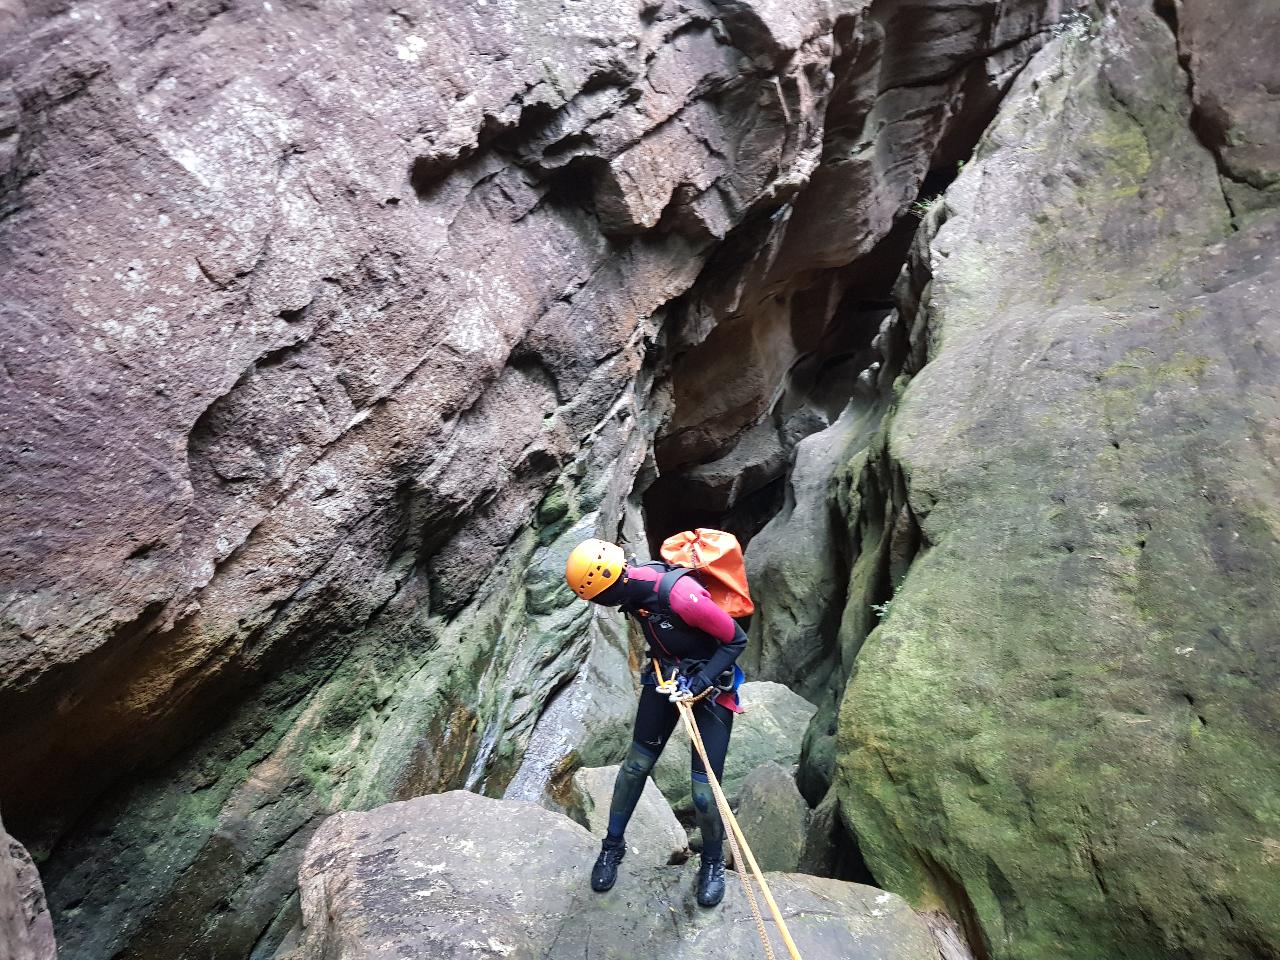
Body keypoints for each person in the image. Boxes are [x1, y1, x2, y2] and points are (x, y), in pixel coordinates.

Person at [564, 537, 747, 908]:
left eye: (598, 597)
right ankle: (612, 847)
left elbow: (735, 640)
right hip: (665, 680)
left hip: (710, 689)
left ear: (612, 584)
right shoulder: (631, 595)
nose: (599, 605)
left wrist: (701, 681)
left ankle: (712, 862)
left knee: (703, 791)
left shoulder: (678, 595)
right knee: (634, 767)